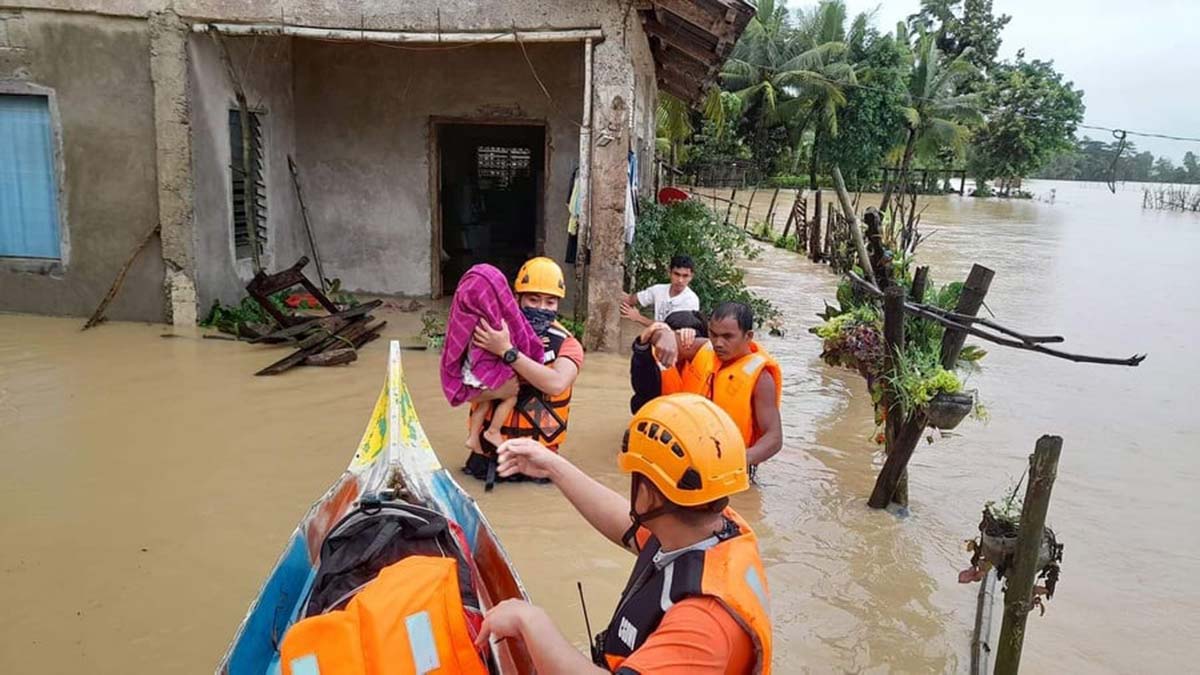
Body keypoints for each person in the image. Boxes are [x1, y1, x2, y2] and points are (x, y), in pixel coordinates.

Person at [476, 394, 773, 674]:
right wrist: (553, 467)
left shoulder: (703, 624)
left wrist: (531, 621)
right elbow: (626, 526)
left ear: (648, 495)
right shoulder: (710, 525)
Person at [465, 257, 585, 483]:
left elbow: (556, 384)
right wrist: (497, 392)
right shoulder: (490, 335)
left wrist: (506, 351)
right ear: (516, 298)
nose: (541, 308)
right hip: (489, 458)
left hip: (539, 461)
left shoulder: (568, 345)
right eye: (533, 299)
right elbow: (462, 391)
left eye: (550, 302)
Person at [650, 302, 783, 470]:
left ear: (748, 336)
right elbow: (655, 336)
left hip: (728, 466)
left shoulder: (761, 379)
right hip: (685, 454)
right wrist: (666, 334)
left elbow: (774, 437)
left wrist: (741, 458)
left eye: (728, 337)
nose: (718, 343)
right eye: (713, 334)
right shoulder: (702, 348)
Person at [629, 310, 706, 414]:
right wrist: (643, 343)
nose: (677, 346)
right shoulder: (651, 357)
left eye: (688, 340)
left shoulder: (707, 357)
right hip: (658, 416)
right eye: (675, 340)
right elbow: (642, 387)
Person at [621, 255, 700, 327]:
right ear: (669, 273)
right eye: (676, 274)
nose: (680, 280)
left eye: (685, 276)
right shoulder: (658, 290)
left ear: (691, 277)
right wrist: (618, 294)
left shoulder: (691, 300)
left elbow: (670, 329)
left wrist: (639, 318)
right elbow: (632, 299)